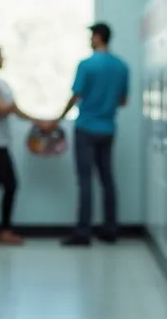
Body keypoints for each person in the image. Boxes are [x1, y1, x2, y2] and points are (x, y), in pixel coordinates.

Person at [53, 22, 129, 247]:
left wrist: (58, 118)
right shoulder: (122, 66)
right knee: (108, 179)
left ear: (98, 37)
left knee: (85, 180)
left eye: (91, 36)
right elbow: (123, 100)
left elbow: (76, 95)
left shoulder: (86, 64)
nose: (89, 40)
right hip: (108, 128)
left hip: (86, 128)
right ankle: (110, 229)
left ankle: (83, 233)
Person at [0, 43, 49, 246]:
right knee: (10, 184)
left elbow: (12, 109)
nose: (2, 59)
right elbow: (0, 109)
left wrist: (37, 121)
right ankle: (3, 230)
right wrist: (13, 107)